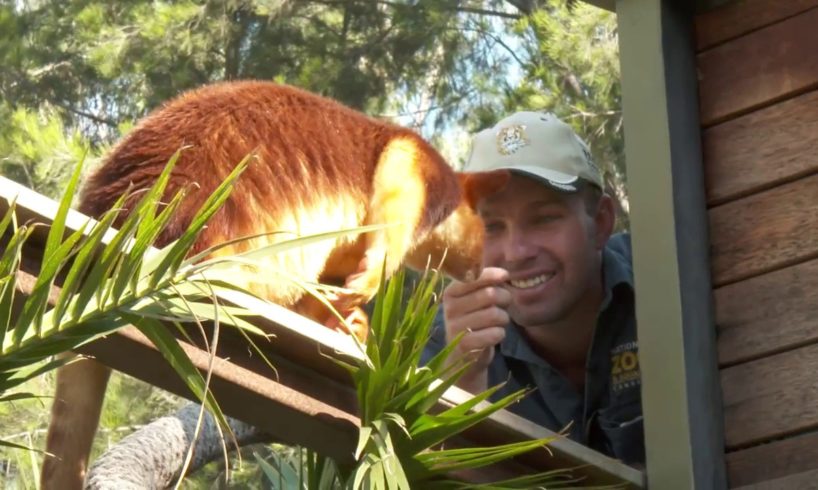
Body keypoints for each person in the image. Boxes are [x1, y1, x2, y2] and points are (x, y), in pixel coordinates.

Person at [423, 111, 644, 465]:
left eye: (543, 218)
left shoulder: (666, 278)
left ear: (601, 222)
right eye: (493, 226)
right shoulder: (446, 343)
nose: (516, 253)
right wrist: (463, 379)